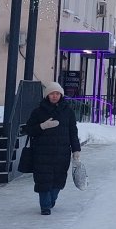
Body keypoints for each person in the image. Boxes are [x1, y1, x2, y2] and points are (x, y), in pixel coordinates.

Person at [24, 82, 80, 215]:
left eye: (57, 93)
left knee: (58, 180)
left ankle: (52, 199)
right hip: (42, 153)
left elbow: (73, 132)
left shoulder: (68, 112)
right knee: (43, 180)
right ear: (47, 95)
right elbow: (28, 129)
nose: (54, 96)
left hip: (62, 153)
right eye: (52, 94)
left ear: (61, 95)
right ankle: (45, 206)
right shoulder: (38, 112)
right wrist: (42, 126)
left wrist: (76, 150)